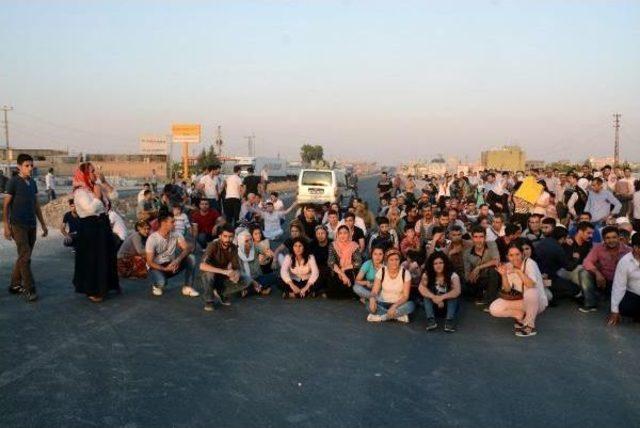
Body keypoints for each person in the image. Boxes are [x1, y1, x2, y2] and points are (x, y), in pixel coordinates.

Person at [3, 153, 48, 302]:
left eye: (31, 165)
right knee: (25, 256)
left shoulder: (33, 183)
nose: (30, 168)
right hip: (18, 225)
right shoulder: (13, 182)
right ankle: (30, 289)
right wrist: (7, 227)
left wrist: (43, 224)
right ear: (19, 167)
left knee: (24, 256)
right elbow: (6, 205)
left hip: (32, 225)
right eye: (26, 165)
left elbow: (36, 205)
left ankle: (14, 285)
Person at [71, 162, 119, 302]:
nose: (94, 174)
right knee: (92, 259)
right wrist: (97, 197)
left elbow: (114, 196)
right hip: (89, 228)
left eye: (94, 171)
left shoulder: (95, 187)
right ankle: (92, 289)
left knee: (105, 257)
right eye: (91, 171)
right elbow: (90, 209)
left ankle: (105, 286)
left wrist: (104, 182)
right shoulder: (80, 192)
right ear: (85, 174)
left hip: (102, 226)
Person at [490, 242, 548, 337]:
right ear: (507, 256)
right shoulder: (508, 266)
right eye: (511, 255)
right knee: (494, 308)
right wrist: (504, 275)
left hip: (536, 302)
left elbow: (530, 284)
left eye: (517, 254)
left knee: (531, 292)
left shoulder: (530, 263)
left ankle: (530, 325)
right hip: (520, 300)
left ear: (522, 254)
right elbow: (508, 290)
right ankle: (520, 316)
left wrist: (517, 271)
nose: (515, 258)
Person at [145, 212, 199, 297]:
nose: (175, 224)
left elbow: (187, 248)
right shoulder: (152, 239)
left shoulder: (176, 234)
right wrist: (165, 269)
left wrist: (178, 260)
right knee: (162, 283)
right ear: (163, 223)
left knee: (191, 258)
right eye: (172, 222)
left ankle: (187, 287)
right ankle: (156, 285)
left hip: (172, 264)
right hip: (157, 267)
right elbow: (149, 262)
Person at [199, 224, 249, 311]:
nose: (227, 239)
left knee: (246, 279)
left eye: (230, 237)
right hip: (210, 275)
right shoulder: (213, 245)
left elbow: (236, 267)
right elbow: (202, 265)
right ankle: (209, 300)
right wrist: (223, 271)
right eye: (225, 236)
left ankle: (221, 292)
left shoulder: (234, 248)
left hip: (222, 276)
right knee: (209, 274)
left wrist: (236, 274)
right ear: (220, 236)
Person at [582, 226, 631, 308]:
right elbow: (587, 262)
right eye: (607, 238)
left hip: (621, 283)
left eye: (614, 237)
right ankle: (591, 303)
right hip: (603, 281)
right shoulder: (598, 248)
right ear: (604, 239)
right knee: (583, 273)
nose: (611, 240)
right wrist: (597, 273)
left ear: (619, 238)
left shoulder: (628, 250)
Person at [366, 249, 415, 323]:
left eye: (396, 259)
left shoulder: (405, 273)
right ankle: (397, 316)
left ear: (400, 260)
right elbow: (374, 291)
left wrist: (394, 306)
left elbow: (405, 296)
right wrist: (372, 299)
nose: (394, 262)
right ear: (386, 261)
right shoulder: (381, 271)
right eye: (391, 260)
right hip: (383, 303)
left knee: (411, 305)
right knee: (368, 304)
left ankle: (382, 317)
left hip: (398, 304)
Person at [419, 252, 461, 332]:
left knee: (453, 295)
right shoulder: (427, 275)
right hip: (433, 306)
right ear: (432, 265)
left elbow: (457, 291)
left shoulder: (453, 275)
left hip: (448, 306)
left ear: (445, 263)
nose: (438, 265)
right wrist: (434, 297)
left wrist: (441, 297)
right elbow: (421, 288)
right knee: (426, 294)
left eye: (441, 263)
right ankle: (431, 321)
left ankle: (449, 321)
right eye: (435, 263)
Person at [463, 225, 500, 307]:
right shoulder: (467, 253)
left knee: (493, 270)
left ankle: (490, 302)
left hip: (492, 275)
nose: (478, 240)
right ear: (472, 238)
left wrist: (478, 267)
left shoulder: (492, 244)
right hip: (478, 279)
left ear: (485, 237)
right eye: (476, 237)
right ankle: (481, 295)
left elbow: (496, 261)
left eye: (481, 237)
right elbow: (467, 274)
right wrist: (471, 277)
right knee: (466, 287)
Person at [608, 233, 640, 325]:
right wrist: (614, 311)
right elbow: (618, 286)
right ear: (635, 247)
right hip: (633, 296)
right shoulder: (625, 262)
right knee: (623, 306)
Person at [327, 225, 362, 298]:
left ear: (349, 234)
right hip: (337, 271)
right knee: (332, 293)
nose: (342, 235)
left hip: (350, 270)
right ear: (337, 234)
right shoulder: (333, 245)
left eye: (345, 233)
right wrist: (342, 274)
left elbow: (358, 262)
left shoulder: (354, 245)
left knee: (349, 275)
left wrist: (344, 269)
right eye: (340, 233)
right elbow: (331, 262)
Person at [236, 231, 273, 296]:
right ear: (241, 242)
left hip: (257, 277)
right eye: (246, 241)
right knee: (237, 284)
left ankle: (251, 290)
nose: (250, 243)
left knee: (273, 277)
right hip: (244, 279)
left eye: (251, 240)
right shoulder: (236, 253)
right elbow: (238, 272)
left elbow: (264, 250)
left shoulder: (255, 247)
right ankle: (259, 289)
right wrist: (252, 282)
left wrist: (268, 252)